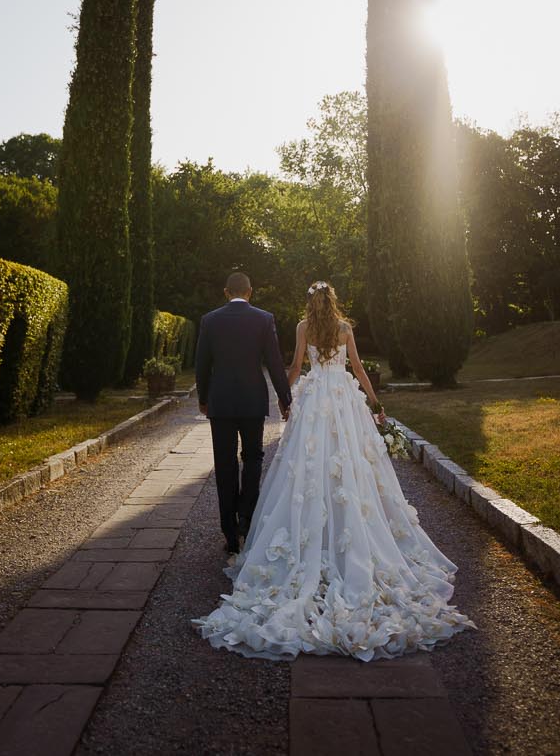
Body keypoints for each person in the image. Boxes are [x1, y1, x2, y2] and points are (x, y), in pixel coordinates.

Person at [193, 280, 474, 660]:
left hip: (313, 403)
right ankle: (347, 530)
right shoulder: (345, 329)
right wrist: (375, 405)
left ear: (311, 303)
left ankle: (269, 533)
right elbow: (357, 368)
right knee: (351, 467)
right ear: (333, 301)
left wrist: (285, 396)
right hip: (343, 403)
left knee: (304, 468)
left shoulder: (302, 328)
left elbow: (293, 366)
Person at [194, 271, 292, 556]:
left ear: (227, 292)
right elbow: (275, 363)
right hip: (252, 402)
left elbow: (202, 365)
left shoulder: (210, 320)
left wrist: (203, 398)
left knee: (224, 465)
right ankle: (246, 520)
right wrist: (285, 399)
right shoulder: (264, 319)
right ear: (251, 291)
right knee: (253, 458)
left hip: (221, 403)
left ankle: (229, 532)